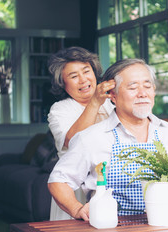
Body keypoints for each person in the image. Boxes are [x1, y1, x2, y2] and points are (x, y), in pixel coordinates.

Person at [48, 58, 168, 221]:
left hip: (165, 224)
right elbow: (58, 180)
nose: (142, 93)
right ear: (113, 95)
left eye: (147, 86)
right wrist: (77, 209)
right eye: (132, 87)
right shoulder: (91, 137)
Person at [47, 46, 115, 220]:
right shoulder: (60, 109)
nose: (83, 80)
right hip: (73, 191)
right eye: (74, 76)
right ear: (63, 83)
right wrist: (94, 103)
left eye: (86, 71)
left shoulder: (111, 103)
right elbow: (72, 141)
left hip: (110, 186)